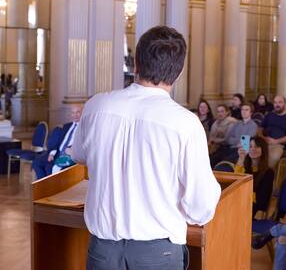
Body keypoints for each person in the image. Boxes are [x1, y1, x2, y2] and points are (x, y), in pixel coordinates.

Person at [71, 26, 221, 270]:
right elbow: (200, 206)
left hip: (103, 249)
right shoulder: (185, 123)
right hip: (157, 251)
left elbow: (79, 155)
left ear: (136, 62)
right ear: (180, 71)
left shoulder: (97, 106)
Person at [32, 105, 82, 179]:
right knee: (36, 162)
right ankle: (44, 187)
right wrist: (52, 153)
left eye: (78, 112)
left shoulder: (84, 128)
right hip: (57, 154)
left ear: (83, 113)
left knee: (49, 167)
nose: (75, 115)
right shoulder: (66, 126)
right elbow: (58, 142)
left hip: (69, 157)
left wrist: (73, 150)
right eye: (73, 112)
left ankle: (50, 187)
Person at [234, 136, 274, 217]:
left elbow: (261, 198)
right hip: (241, 201)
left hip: (254, 206)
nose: (252, 149)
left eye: (256, 146)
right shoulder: (244, 167)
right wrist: (241, 158)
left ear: (263, 149)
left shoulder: (269, 172)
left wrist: (242, 194)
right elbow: (235, 182)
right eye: (250, 146)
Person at [210, 102, 258, 166]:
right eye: (242, 109)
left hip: (241, 151)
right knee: (212, 159)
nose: (244, 112)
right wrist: (239, 140)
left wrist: (236, 139)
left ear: (251, 112)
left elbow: (245, 143)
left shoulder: (253, 125)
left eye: (246, 110)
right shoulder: (237, 123)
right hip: (229, 148)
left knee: (224, 163)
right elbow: (228, 139)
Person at [259, 95, 286, 168]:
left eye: (280, 102)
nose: (277, 104)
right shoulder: (269, 115)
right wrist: (263, 138)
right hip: (264, 142)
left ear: (285, 104)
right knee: (250, 154)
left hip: (277, 145)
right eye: (275, 102)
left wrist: (275, 141)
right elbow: (259, 129)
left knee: (272, 158)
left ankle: (266, 176)